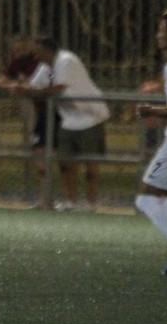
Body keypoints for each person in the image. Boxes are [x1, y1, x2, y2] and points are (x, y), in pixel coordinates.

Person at [13, 37, 111, 211]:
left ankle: (90, 203)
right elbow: (32, 86)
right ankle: (70, 201)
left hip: (90, 116)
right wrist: (9, 87)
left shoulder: (66, 60)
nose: (34, 54)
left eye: (37, 50)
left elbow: (59, 89)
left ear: (46, 50)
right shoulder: (45, 67)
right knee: (65, 163)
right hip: (69, 118)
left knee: (91, 164)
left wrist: (30, 90)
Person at [134, 11, 167, 276]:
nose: (158, 35)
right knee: (165, 197)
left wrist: (153, 111)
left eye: (162, 30)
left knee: (147, 198)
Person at [0, 37, 50, 204]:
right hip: (42, 113)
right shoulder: (16, 63)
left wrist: (19, 85)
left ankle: (73, 200)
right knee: (39, 153)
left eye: (21, 50)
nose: (17, 53)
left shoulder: (42, 63)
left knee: (63, 157)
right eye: (15, 50)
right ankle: (46, 198)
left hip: (58, 111)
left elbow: (29, 85)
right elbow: (3, 84)